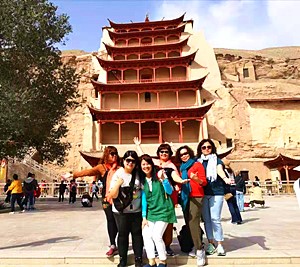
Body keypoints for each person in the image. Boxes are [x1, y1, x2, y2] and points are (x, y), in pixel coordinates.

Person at [134, 138, 186, 256]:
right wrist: (138, 146)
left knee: (167, 225)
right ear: (158, 153)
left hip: (167, 195)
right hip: (155, 197)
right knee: (156, 227)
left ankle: (167, 246)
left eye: (166, 152)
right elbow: (144, 159)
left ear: (169, 154)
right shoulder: (155, 163)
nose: (163, 154)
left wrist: (181, 182)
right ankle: (158, 248)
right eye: (161, 152)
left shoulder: (172, 165)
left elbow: (176, 177)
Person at [72, 146, 120, 257]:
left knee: (118, 221)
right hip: (106, 198)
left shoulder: (120, 167)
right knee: (110, 219)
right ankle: (113, 244)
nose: (114, 156)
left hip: (118, 198)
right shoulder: (102, 167)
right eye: (111, 153)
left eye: (115, 153)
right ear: (106, 155)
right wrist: (74, 175)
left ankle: (118, 242)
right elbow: (88, 172)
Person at [107, 150, 143, 267]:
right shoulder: (118, 173)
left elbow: (149, 164)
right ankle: (123, 259)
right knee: (123, 234)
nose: (130, 163)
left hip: (136, 210)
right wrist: (118, 184)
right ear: (123, 161)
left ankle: (138, 259)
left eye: (133, 161)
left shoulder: (138, 174)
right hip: (121, 211)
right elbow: (112, 194)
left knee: (137, 234)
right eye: (128, 160)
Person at [140, 154, 176, 267]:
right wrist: (144, 217)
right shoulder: (143, 180)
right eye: (143, 164)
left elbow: (170, 191)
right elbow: (144, 199)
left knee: (156, 235)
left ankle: (163, 261)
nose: (146, 166)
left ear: (152, 164)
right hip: (151, 212)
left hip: (164, 210)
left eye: (147, 164)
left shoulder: (160, 175)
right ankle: (151, 261)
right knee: (146, 234)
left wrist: (164, 179)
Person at [197, 139, 231, 256]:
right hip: (203, 193)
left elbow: (219, 170)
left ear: (212, 148)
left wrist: (225, 179)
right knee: (206, 220)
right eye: (204, 147)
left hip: (217, 192)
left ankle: (220, 244)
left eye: (209, 147)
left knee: (215, 218)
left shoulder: (216, 160)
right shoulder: (198, 161)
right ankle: (211, 243)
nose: (206, 149)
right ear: (200, 149)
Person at [175, 145, 207, 266]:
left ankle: (199, 249)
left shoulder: (197, 164)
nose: (184, 155)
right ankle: (197, 243)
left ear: (190, 153)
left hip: (196, 196)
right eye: (181, 154)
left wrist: (196, 179)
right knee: (189, 222)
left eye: (186, 153)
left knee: (193, 221)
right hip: (185, 196)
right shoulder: (182, 168)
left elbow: (204, 182)